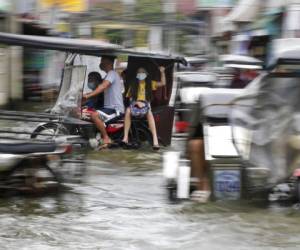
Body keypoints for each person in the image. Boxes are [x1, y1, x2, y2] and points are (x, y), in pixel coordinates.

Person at [83, 56, 124, 149]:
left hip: (115, 109)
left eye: (102, 60)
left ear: (109, 62)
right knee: (87, 114)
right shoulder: (108, 75)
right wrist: (85, 95)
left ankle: (106, 138)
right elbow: (99, 88)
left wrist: (88, 96)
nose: (100, 63)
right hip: (108, 108)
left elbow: (102, 87)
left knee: (94, 115)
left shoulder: (112, 73)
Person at [121, 66, 166, 150]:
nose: (140, 74)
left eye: (142, 72)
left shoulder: (150, 83)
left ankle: (155, 140)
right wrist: (137, 103)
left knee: (149, 112)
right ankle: (125, 137)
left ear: (146, 74)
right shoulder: (133, 84)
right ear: (137, 75)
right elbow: (130, 98)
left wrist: (162, 72)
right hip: (135, 105)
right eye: (139, 73)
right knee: (127, 110)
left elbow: (163, 83)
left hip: (146, 106)